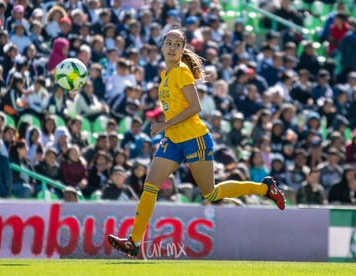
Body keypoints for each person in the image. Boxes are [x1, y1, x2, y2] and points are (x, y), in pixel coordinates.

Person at [107, 28, 286, 258]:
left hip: (194, 138)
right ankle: (133, 242)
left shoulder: (181, 72)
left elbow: (196, 107)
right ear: (161, 46)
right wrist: (167, 127)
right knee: (150, 185)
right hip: (173, 139)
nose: (172, 47)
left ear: (183, 49)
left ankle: (265, 188)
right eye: (168, 43)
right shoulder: (165, 75)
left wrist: (164, 124)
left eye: (176, 44)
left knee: (210, 193)